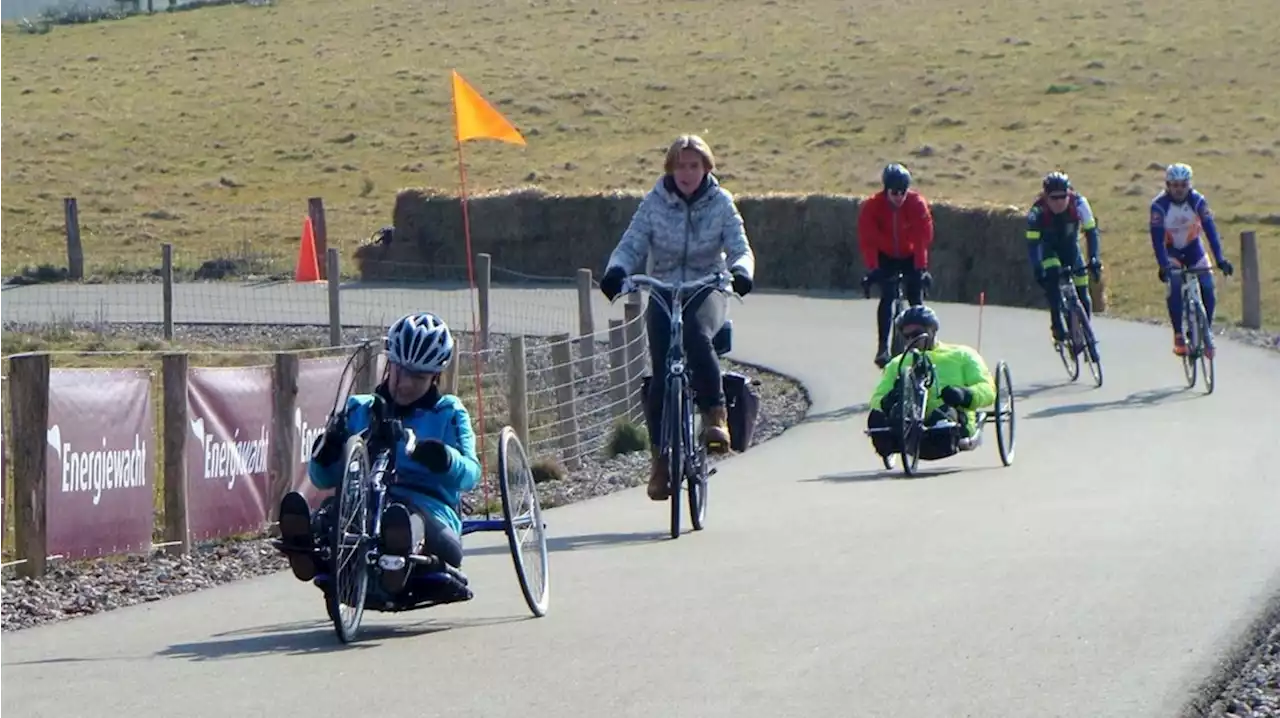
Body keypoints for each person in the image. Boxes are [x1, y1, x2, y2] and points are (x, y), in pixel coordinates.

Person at [275, 311, 482, 599]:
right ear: (389, 364)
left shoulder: (448, 412)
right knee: (332, 514)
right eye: (401, 371)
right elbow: (320, 479)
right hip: (361, 505)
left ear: (435, 376)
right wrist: (326, 453)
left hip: (427, 506)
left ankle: (398, 556)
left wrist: (444, 458)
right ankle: (306, 544)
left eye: (418, 376)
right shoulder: (358, 409)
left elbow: (471, 474)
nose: (406, 383)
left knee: (403, 521)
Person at [598, 134, 755, 502]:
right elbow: (632, 242)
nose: (686, 173)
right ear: (670, 169)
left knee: (697, 336)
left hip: (707, 286)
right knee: (659, 376)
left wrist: (741, 271)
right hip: (664, 288)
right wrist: (616, 270)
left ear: (706, 168)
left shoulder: (721, 203)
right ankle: (660, 463)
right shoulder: (654, 203)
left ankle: (716, 418)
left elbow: (739, 245)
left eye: (694, 165)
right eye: (680, 166)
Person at [865, 305, 995, 462]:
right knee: (876, 417)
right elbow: (877, 398)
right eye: (906, 336)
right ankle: (892, 441)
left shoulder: (962, 355)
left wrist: (965, 395)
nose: (911, 340)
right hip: (907, 422)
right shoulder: (896, 364)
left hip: (949, 419)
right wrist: (888, 400)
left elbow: (987, 389)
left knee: (945, 415)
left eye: (917, 334)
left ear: (933, 330)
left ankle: (939, 432)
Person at [1149, 162, 1235, 358]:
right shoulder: (1159, 207)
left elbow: (1210, 231)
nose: (1179, 190)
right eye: (1175, 185)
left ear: (1189, 185)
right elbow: (1157, 240)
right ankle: (1179, 334)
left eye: (1183, 185)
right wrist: (1163, 266)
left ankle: (1206, 331)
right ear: (1168, 186)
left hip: (1193, 249)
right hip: (1171, 251)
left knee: (1207, 285)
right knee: (1176, 284)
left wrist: (1220, 259)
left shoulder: (1197, 201)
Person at [858, 163, 935, 368]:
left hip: (910, 254)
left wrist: (921, 267)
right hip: (886, 256)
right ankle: (883, 346)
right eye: (894, 192)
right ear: (886, 190)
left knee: (915, 298)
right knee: (888, 296)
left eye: (903, 192)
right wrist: (873, 269)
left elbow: (922, 237)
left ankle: (923, 344)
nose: (899, 197)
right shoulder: (872, 207)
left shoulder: (917, 204)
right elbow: (868, 240)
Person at [1025, 171, 1103, 347]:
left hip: (1070, 249)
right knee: (1052, 282)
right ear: (1046, 197)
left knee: (1083, 293)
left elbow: (1091, 233)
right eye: (1054, 198)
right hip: (1049, 250)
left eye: (1063, 196)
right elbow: (1033, 244)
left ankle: (1085, 331)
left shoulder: (1079, 203)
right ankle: (1057, 327)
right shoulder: (1037, 212)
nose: (1060, 202)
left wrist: (1094, 259)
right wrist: (1038, 268)